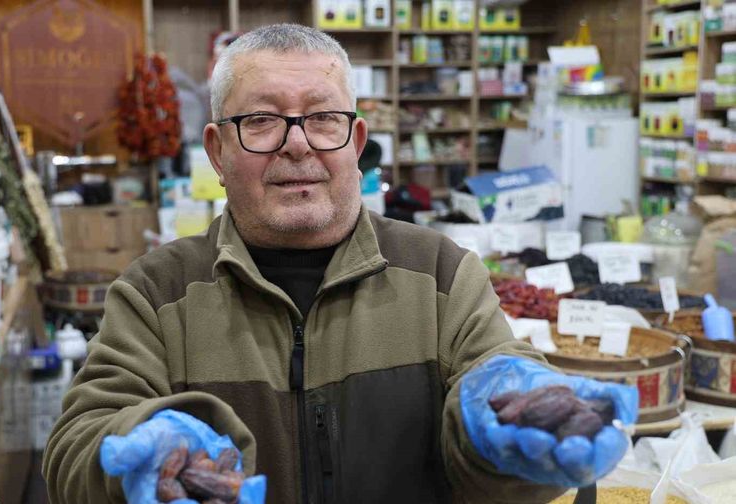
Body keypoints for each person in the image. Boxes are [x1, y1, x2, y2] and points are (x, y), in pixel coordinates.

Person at [43, 23, 637, 504]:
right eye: (261, 120)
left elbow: (496, 386)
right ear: (218, 152)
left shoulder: (439, 273)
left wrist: (504, 431)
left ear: (355, 144)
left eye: (322, 118)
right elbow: (74, 446)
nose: (296, 143)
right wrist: (132, 453)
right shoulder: (155, 293)